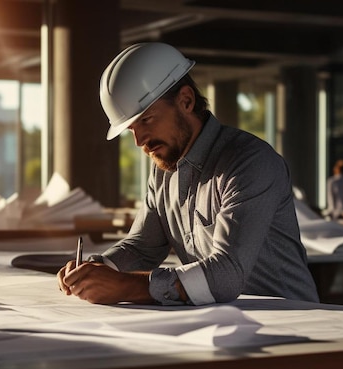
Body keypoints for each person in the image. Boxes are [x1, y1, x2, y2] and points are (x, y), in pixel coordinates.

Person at [57, 42, 319, 306]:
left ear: (186, 101)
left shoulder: (251, 162)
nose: (139, 141)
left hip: (295, 323)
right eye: (131, 129)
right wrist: (97, 269)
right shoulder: (163, 168)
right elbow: (142, 246)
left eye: (146, 120)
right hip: (226, 323)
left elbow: (225, 275)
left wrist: (124, 286)